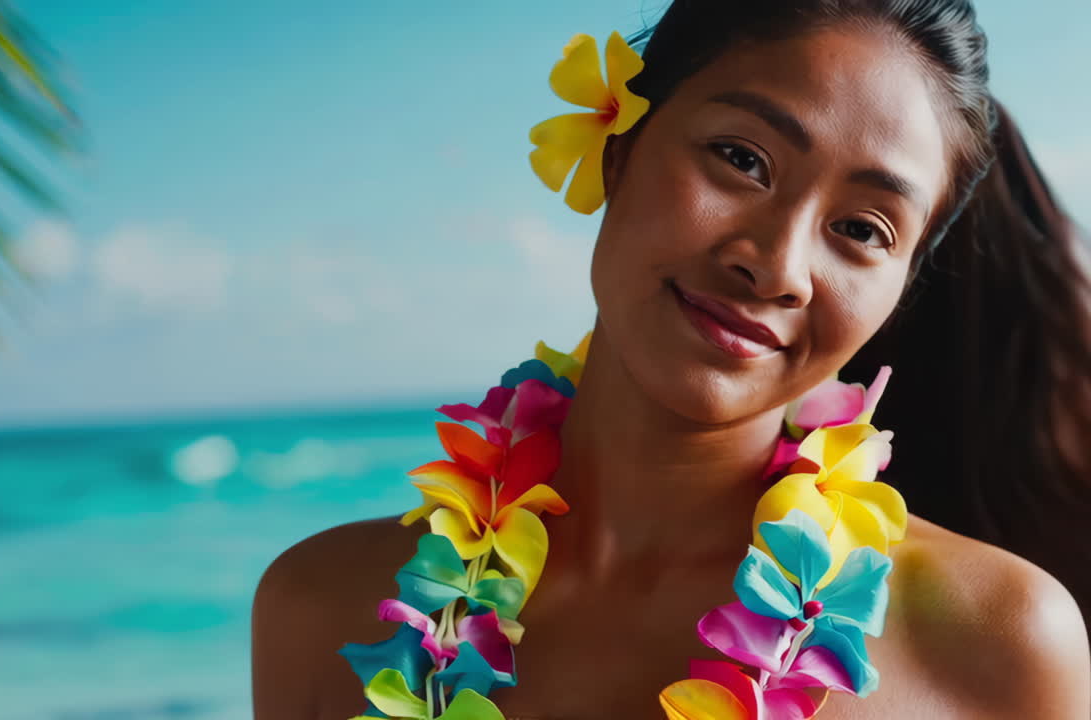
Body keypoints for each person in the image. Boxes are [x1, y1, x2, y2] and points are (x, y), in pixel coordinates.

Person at [251, 0, 1091, 717]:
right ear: (618, 147)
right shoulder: (319, 609)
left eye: (862, 229)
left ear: (900, 287)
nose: (777, 263)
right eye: (742, 159)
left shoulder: (1002, 645)